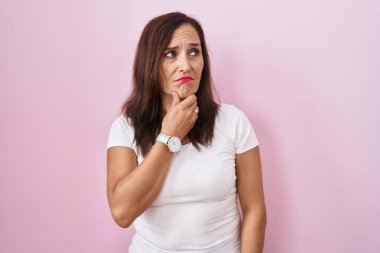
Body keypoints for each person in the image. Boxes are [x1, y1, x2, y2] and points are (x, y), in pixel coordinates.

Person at [106, 12, 266, 253]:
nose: (186, 65)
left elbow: (255, 210)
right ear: (150, 63)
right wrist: (169, 136)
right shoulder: (125, 127)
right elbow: (122, 213)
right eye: (171, 54)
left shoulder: (233, 121)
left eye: (194, 52)